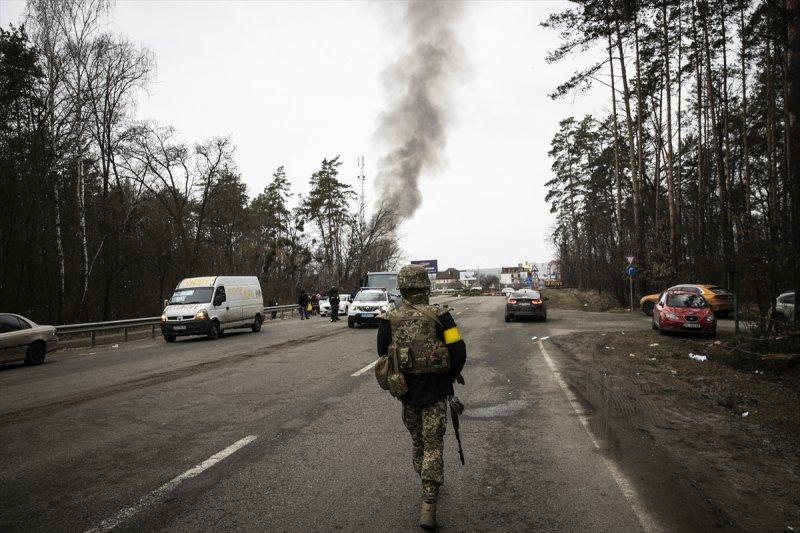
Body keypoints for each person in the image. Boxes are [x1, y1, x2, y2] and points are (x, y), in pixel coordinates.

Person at [376, 264, 467, 530]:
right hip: (437, 392)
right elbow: (458, 351)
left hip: (407, 394)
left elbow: (383, 354)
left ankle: (426, 481)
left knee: (418, 442)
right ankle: (429, 499)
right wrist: (449, 374)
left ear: (402, 288)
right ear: (425, 287)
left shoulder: (388, 319)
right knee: (434, 444)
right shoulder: (442, 317)